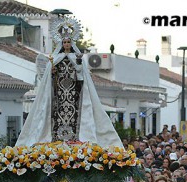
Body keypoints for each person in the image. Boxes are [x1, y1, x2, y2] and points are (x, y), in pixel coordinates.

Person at [15, 15, 122, 148]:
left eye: (68, 42)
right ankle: (55, 137)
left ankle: (76, 137)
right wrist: (52, 73)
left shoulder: (77, 58)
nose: (66, 45)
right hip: (58, 95)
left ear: (72, 43)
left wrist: (77, 66)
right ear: (61, 43)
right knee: (55, 115)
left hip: (74, 94)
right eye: (64, 42)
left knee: (76, 115)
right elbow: (48, 79)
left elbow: (82, 77)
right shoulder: (55, 58)